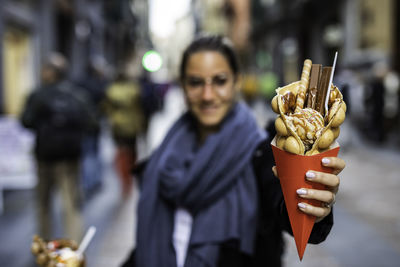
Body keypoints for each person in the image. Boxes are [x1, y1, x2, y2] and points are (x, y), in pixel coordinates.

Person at [121, 35, 345, 267]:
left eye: (219, 81)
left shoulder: (263, 152)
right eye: (196, 82)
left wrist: (313, 204)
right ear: (183, 86)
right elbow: (150, 243)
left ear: (237, 82)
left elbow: (283, 203)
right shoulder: (164, 154)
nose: (208, 95)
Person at [20, 53, 96, 242]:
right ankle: (74, 246)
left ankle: (45, 247)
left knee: (43, 204)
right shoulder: (78, 95)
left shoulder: (38, 95)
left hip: (45, 156)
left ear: (50, 72)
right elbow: (92, 124)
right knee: (71, 204)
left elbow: (26, 121)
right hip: (69, 157)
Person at [102, 71, 145, 197]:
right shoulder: (134, 90)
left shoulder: (111, 90)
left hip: (118, 125)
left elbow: (106, 108)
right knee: (132, 152)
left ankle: (124, 177)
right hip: (132, 125)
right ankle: (130, 175)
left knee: (121, 151)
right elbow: (140, 107)